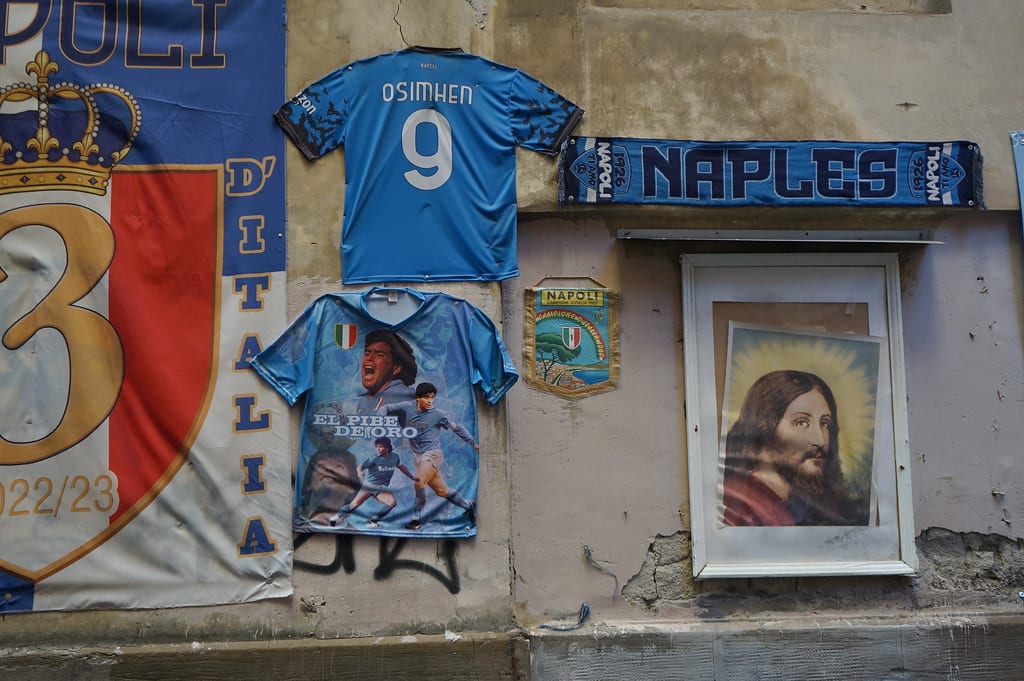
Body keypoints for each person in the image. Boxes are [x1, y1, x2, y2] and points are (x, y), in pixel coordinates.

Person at [722, 370, 865, 527]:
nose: (820, 440)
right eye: (802, 423)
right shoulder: (740, 505)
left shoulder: (808, 500)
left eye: (824, 424)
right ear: (764, 427)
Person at [381, 382, 479, 530]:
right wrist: (380, 418)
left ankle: (416, 519)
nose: (430, 401)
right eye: (426, 397)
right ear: (418, 398)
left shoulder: (439, 414)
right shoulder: (407, 407)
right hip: (418, 456)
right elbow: (386, 408)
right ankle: (467, 505)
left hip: (433, 454)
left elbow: (457, 428)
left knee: (418, 482)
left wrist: (472, 442)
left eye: (432, 397)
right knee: (442, 491)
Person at [328, 437, 419, 528]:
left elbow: (401, 467)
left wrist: (411, 477)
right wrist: (360, 472)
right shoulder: (374, 458)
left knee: (392, 503)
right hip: (369, 486)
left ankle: (374, 519)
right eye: (377, 447)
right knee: (354, 505)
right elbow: (360, 467)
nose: (378, 449)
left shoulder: (395, 457)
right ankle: (334, 518)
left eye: (380, 447)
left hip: (381, 488)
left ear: (387, 448)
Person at [356, 329, 417, 414]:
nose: (369, 358)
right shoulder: (362, 400)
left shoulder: (406, 396)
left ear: (396, 368)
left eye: (380, 355)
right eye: (367, 353)